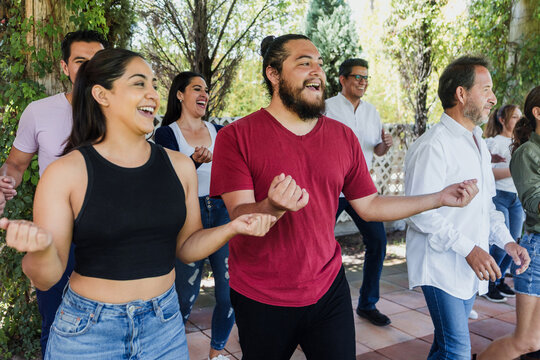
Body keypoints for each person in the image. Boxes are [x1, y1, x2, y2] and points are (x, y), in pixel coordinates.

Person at [210, 34, 480, 360]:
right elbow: (239, 215)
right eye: (303, 62)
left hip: (328, 289)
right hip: (261, 296)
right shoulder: (236, 137)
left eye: (320, 64)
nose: (317, 71)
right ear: (273, 73)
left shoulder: (342, 137)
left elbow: (370, 206)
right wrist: (271, 206)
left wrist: (439, 197)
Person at [0, 48, 275, 359]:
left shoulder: (180, 167)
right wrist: (40, 248)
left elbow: (187, 246)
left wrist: (233, 227)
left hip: (165, 327)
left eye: (154, 85)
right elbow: (46, 276)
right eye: (139, 84)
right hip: (88, 332)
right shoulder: (65, 173)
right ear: (102, 95)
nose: (153, 95)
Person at [404, 56, 530, 360]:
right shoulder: (433, 145)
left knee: (444, 346)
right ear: (461, 94)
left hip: (464, 265)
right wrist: (470, 249)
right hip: (439, 265)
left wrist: (507, 241)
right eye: (485, 89)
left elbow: (485, 205)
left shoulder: (475, 138)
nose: (493, 98)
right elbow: (419, 213)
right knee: (456, 351)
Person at [0, 30, 107, 356]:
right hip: (57, 235)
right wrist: (5, 182)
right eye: (80, 61)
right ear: (64, 67)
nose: (90, 69)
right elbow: (16, 165)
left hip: (108, 234)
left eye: (98, 61)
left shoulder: (121, 111)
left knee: (107, 324)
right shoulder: (39, 111)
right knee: (56, 321)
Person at [154, 71, 232, 360]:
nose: (204, 94)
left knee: (229, 295)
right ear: (179, 94)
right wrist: (192, 162)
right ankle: (168, 351)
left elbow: (233, 172)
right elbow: (166, 180)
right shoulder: (166, 134)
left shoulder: (220, 132)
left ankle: (217, 353)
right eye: (196, 88)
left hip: (222, 211)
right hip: (189, 215)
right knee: (184, 298)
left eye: (207, 90)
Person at [325, 58, 393, 326]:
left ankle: (367, 304)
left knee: (378, 242)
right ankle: (308, 305)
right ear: (342, 79)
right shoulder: (326, 108)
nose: (363, 82)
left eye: (366, 78)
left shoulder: (372, 112)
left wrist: (384, 146)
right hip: (330, 188)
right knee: (314, 243)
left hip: (361, 189)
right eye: (357, 77)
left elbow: (376, 149)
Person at [477, 86, 540, 359]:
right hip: (537, 252)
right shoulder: (527, 153)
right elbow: (534, 203)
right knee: (527, 341)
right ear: (538, 112)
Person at [483, 104, 525, 302]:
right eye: (514, 116)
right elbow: (486, 172)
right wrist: (514, 169)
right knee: (501, 243)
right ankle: (488, 283)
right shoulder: (494, 142)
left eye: (519, 116)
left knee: (514, 240)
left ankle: (499, 280)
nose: (518, 120)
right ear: (502, 119)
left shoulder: (521, 141)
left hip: (516, 198)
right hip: (499, 196)